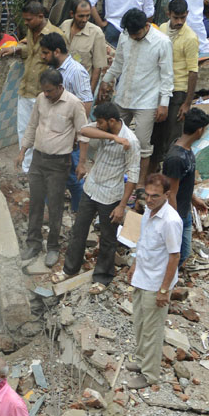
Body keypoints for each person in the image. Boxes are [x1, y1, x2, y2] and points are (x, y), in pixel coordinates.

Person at [17, 69, 89, 267]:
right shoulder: (41, 99)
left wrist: (81, 162)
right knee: (36, 202)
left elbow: (83, 134)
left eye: (50, 91)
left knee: (55, 206)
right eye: (44, 91)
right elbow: (32, 126)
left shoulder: (74, 104)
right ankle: (33, 244)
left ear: (60, 87)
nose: (46, 94)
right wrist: (23, 151)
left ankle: (53, 247)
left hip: (59, 163)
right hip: (38, 159)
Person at [68, 102, 140, 293]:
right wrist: (113, 137)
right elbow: (83, 130)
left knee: (108, 239)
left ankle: (102, 278)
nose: (97, 125)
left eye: (100, 122)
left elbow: (133, 176)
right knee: (79, 230)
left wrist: (122, 206)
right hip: (91, 189)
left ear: (112, 120)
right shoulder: (106, 130)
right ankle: (70, 269)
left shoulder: (131, 141)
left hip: (110, 196)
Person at [99, 8, 174, 185]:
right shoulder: (125, 36)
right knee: (111, 136)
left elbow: (167, 75)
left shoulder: (162, 42)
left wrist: (164, 103)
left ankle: (139, 184)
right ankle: (110, 176)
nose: (133, 36)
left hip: (147, 101)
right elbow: (118, 63)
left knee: (141, 144)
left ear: (146, 25)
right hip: (123, 96)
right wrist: (106, 80)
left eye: (136, 33)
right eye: (130, 33)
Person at [126, 175, 183, 390]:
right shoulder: (148, 212)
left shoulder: (171, 221)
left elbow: (174, 256)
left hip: (157, 282)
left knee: (152, 329)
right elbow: (143, 242)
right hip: (143, 276)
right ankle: (142, 362)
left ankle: (150, 375)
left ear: (166, 195)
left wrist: (164, 289)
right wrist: (134, 265)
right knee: (140, 323)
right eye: (147, 195)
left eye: (154, 196)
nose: (149, 200)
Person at [2, 2, 64, 173]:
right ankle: (27, 169)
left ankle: (39, 168)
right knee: (24, 130)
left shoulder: (55, 35)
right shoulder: (30, 32)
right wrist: (15, 49)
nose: (26, 23)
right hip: (26, 89)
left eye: (29, 19)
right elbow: (29, 51)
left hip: (43, 93)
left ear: (40, 16)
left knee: (42, 132)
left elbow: (61, 63)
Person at [162, 108, 209, 269]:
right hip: (177, 214)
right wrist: (175, 224)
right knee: (178, 254)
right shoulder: (177, 158)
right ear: (200, 130)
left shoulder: (185, 150)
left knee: (182, 254)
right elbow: (171, 193)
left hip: (185, 210)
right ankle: (165, 284)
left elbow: (183, 182)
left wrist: (194, 199)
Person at [156, 0, 200, 157]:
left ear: (187, 14)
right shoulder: (162, 28)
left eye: (183, 17)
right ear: (168, 14)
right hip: (160, 88)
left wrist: (187, 103)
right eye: (176, 18)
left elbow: (193, 71)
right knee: (157, 135)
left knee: (173, 136)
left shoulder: (190, 38)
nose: (179, 21)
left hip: (178, 90)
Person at [61, 0, 110, 88]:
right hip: (60, 84)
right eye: (81, 16)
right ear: (72, 14)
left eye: (87, 16)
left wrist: (89, 94)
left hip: (80, 87)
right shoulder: (64, 25)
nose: (85, 20)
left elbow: (97, 68)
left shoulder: (96, 33)